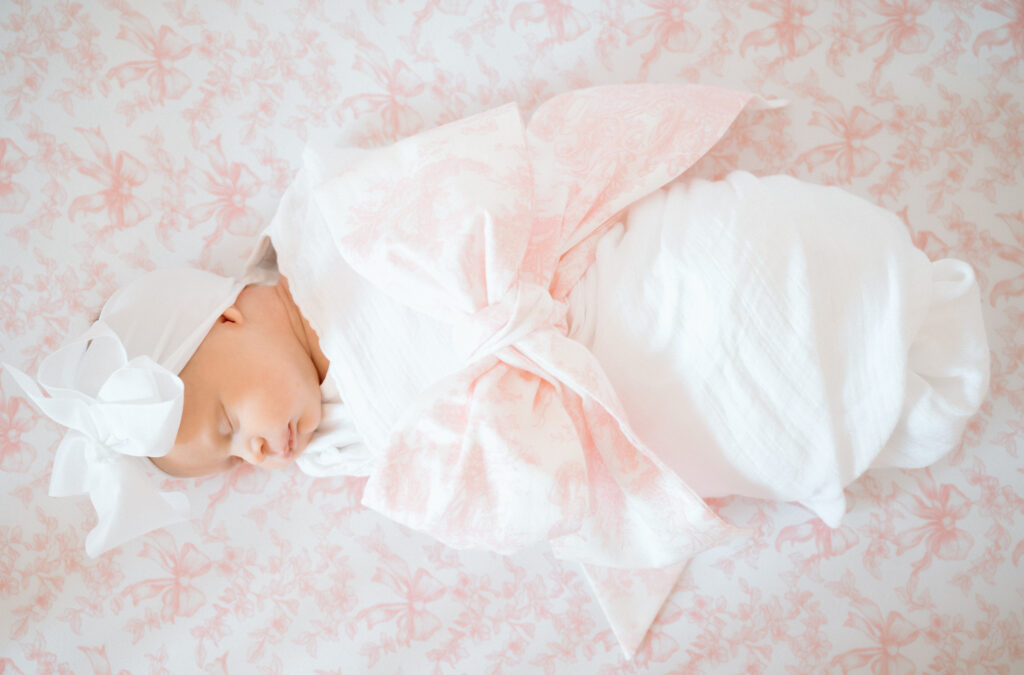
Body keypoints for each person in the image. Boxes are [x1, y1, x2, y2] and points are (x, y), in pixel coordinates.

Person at [1, 83, 990, 658]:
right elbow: (479, 482)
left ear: (223, 315)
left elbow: (475, 188)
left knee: (724, 289)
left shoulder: (337, 232)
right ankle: (853, 399)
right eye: (232, 461)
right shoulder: (343, 444)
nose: (255, 452)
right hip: (602, 402)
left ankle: (854, 298)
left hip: (601, 289)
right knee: (733, 414)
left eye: (224, 421)